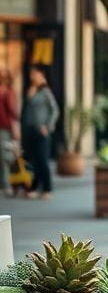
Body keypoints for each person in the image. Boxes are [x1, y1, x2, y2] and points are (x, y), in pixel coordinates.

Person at [22, 65, 58, 200]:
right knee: (34, 160)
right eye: (31, 74)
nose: (32, 77)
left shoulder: (46, 92)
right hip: (30, 130)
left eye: (35, 74)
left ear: (41, 75)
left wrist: (48, 126)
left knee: (43, 160)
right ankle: (35, 187)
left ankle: (48, 188)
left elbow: (55, 111)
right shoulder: (32, 90)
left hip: (41, 131)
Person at [0, 68, 19, 196]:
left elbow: (13, 113)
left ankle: (7, 185)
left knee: (4, 156)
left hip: (4, 128)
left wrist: (16, 129)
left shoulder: (9, 93)